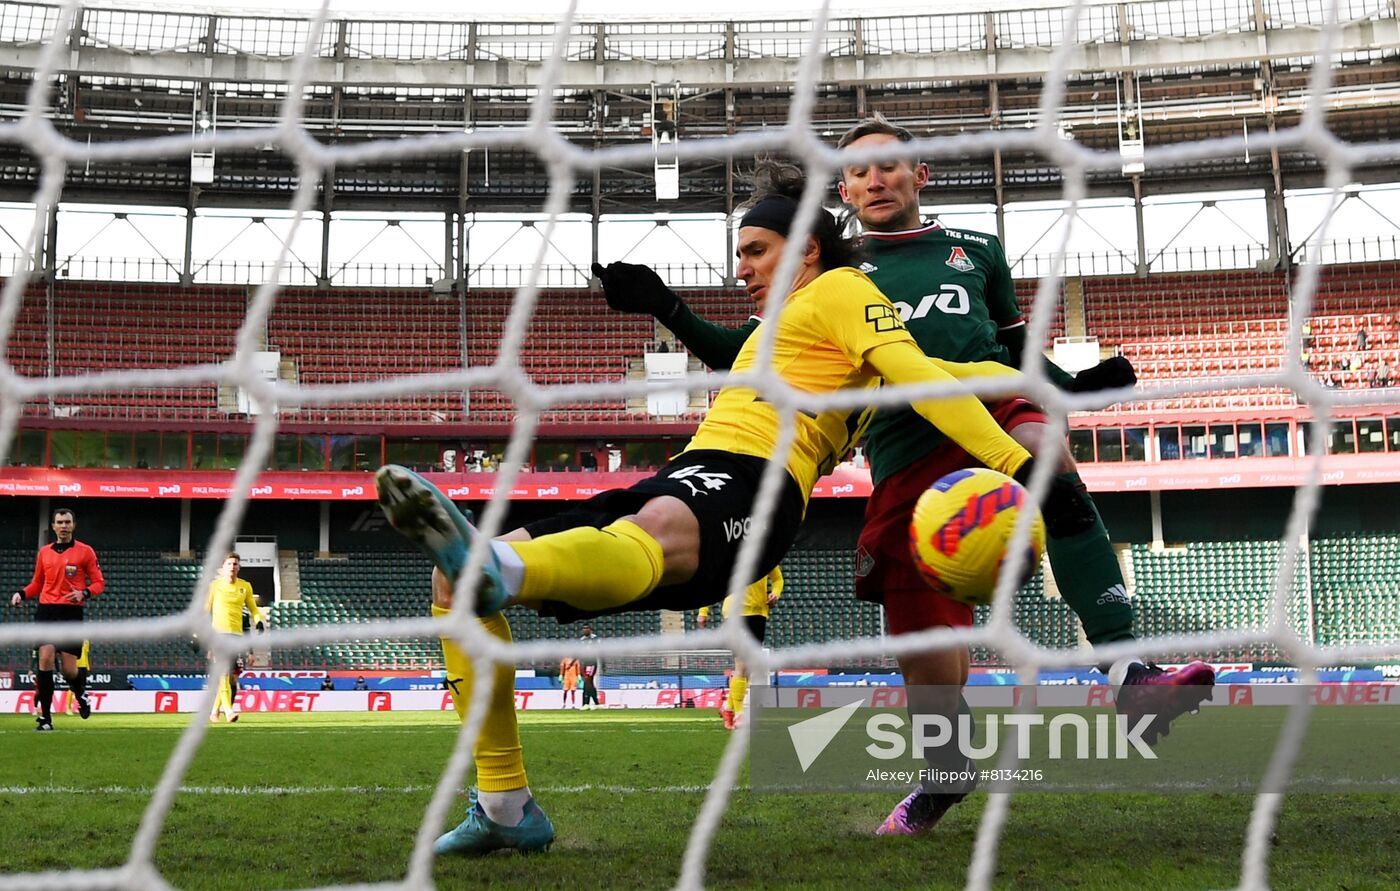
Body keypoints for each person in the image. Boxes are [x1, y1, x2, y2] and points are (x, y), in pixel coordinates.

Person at [376, 165, 1045, 857]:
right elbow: (957, 371)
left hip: (758, 481)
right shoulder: (786, 328)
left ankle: (499, 566)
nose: (741, 269)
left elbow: (933, 379)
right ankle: (503, 803)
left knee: (653, 528)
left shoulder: (845, 288)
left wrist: (1010, 459)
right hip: (690, 469)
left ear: (808, 248)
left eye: (755, 251)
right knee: (451, 588)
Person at [593, 127, 1216, 835]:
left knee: (1044, 448)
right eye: (859, 172)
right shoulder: (831, 277)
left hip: (988, 402)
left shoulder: (978, 251)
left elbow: (1014, 351)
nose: (875, 179)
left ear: (919, 174)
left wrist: (1073, 386)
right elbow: (744, 353)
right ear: (846, 193)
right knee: (927, 654)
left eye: (889, 165)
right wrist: (666, 308)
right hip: (899, 448)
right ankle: (944, 773)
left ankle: (1128, 672)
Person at [9, 508, 103, 731]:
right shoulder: (44, 552)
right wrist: (21, 593)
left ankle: (80, 694)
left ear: (73, 525)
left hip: (71, 613)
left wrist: (85, 593)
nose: (63, 526)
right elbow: (37, 584)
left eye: (67, 522)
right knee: (46, 658)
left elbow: (99, 582)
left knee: (70, 671)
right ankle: (46, 718)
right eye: (59, 522)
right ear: (53, 526)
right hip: (47, 611)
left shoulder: (85, 552)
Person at [698, 565, 782, 730]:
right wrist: (703, 610)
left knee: (750, 666)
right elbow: (712, 584)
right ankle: (739, 714)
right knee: (742, 664)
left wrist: (776, 594)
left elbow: (778, 579)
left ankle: (728, 707)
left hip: (759, 613)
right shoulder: (731, 554)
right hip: (735, 613)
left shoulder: (767, 555)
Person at [204, 552, 266, 723]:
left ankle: (215, 711)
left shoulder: (245, 586)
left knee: (230, 675)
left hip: (236, 636)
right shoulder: (215, 586)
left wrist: (259, 621)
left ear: (239, 567)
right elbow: (205, 611)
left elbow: (253, 609)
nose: (232, 567)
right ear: (223, 567)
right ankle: (229, 710)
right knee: (223, 671)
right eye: (229, 564)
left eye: (235, 564)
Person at [578, 624, 602, 708]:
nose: (585, 630)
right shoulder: (581, 640)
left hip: (592, 663)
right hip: (584, 664)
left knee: (587, 681)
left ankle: (586, 703)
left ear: (590, 629)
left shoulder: (595, 639)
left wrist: (603, 663)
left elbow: (600, 651)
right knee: (589, 683)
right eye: (584, 628)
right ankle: (596, 703)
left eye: (587, 628)